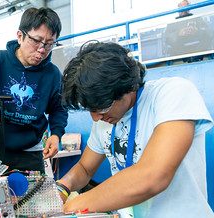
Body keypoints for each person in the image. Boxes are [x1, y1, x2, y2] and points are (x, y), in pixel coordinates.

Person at [57, 41, 214, 217]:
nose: (96, 117)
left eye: (101, 107)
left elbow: (152, 177)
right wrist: (62, 187)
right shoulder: (103, 119)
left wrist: (75, 203)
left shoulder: (172, 93)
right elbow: (85, 169)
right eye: (90, 109)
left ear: (127, 86)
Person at [0, 7, 68, 174]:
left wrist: (56, 135)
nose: (42, 50)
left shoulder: (53, 75)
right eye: (36, 41)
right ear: (20, 36)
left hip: (32, 149)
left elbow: (58, 108)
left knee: (33, 198)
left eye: (49, 44)